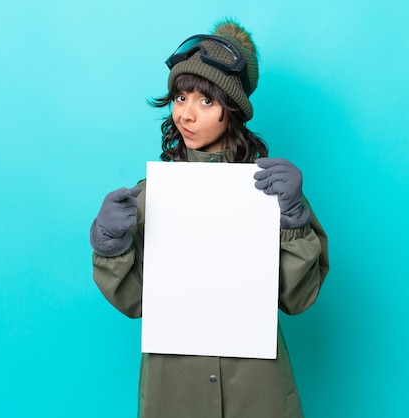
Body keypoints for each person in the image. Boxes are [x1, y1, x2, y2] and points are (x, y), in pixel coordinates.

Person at [89, 18, 329, 418]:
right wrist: (109, 243)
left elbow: (296, 298)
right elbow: (135, 302)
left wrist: (294, 218)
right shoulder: (150, 195)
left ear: (231, 109)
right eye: (180, 98)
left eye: (205, 101)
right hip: (173, 392)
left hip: (258, 392)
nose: (186, 115)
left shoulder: (271, 191)